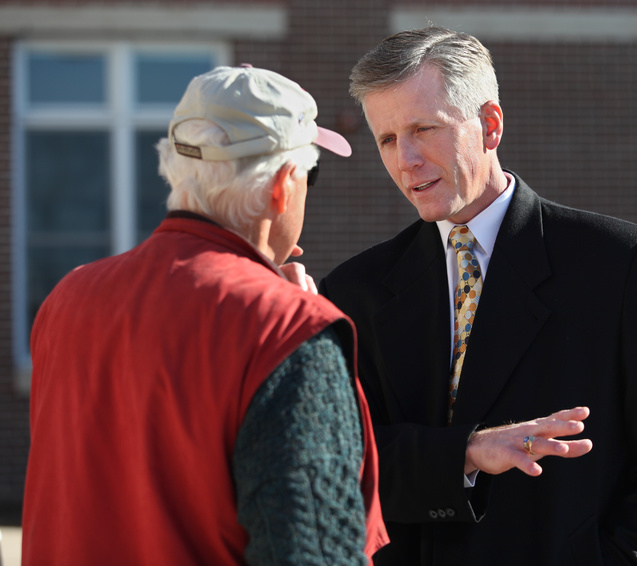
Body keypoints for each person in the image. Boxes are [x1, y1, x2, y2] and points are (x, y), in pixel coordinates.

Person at [319, 27, 637, 565]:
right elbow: (341, 465)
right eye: (388, 139)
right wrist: (462, 455)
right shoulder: (353, 291)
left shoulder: (621, 264)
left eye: (424, 129)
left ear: (490, 125)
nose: (406, 160)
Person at [22, 65, 387, 565]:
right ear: (282, 185)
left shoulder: (67, 300)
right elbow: (313, 549)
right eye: (311, 174)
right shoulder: (286, 330)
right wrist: (289, 317)